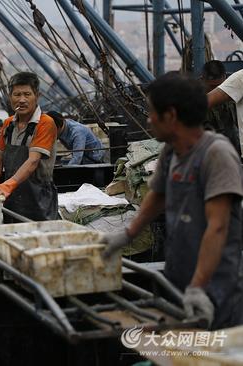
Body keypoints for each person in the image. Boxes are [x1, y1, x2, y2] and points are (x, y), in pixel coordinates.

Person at [102, 72, 243, 330]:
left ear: (171, 116)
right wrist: (127, 234)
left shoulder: (216, 154)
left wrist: (198, 287)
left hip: (214, 285)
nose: (148, 119)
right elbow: (158, 195)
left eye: (151, 112)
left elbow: (218, 226)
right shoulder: (171, 151)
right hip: (179, 274)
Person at [0, 72, 58, 221]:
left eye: (27, 94)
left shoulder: (45, 123)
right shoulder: (8, 124)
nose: (22, 100)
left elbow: (33, 162)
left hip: (38, 199)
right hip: (11, 197)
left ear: (37, 96)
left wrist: (6, 186)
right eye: (17, 95)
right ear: (10, 97)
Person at [201, 61, 241, 156]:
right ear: (202, 80)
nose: (217, 90)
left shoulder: (234, 88)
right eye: (212, 86)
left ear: (225, 78)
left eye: (220, 86)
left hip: (234, 148)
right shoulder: (194, 98)